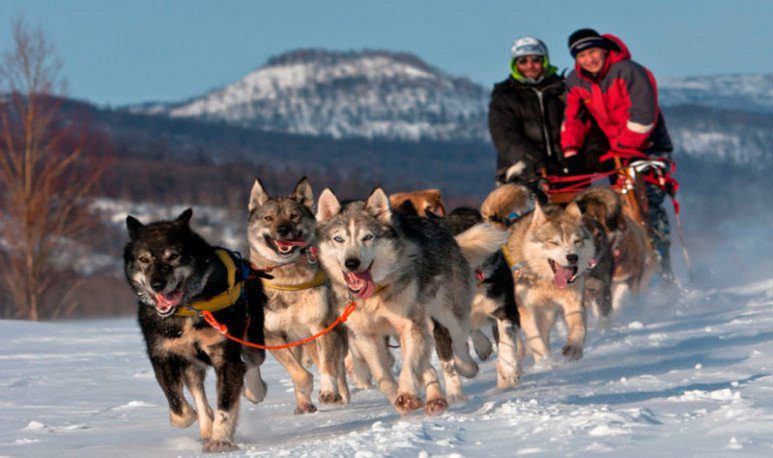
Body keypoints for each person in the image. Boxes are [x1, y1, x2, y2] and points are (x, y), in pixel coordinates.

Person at [561, 28, 675, 283]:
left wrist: (625, 148)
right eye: (582, 56)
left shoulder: (628, 71)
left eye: (593, 52)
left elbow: (644, 115)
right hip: (617, 155)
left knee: (646, 205)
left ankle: (661, 264)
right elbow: (572, 120)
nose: (589, 59)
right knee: (622, 209)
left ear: (603, 50)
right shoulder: (576, 81)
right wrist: (571, 153)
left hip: (648, 147)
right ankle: (631, 266)